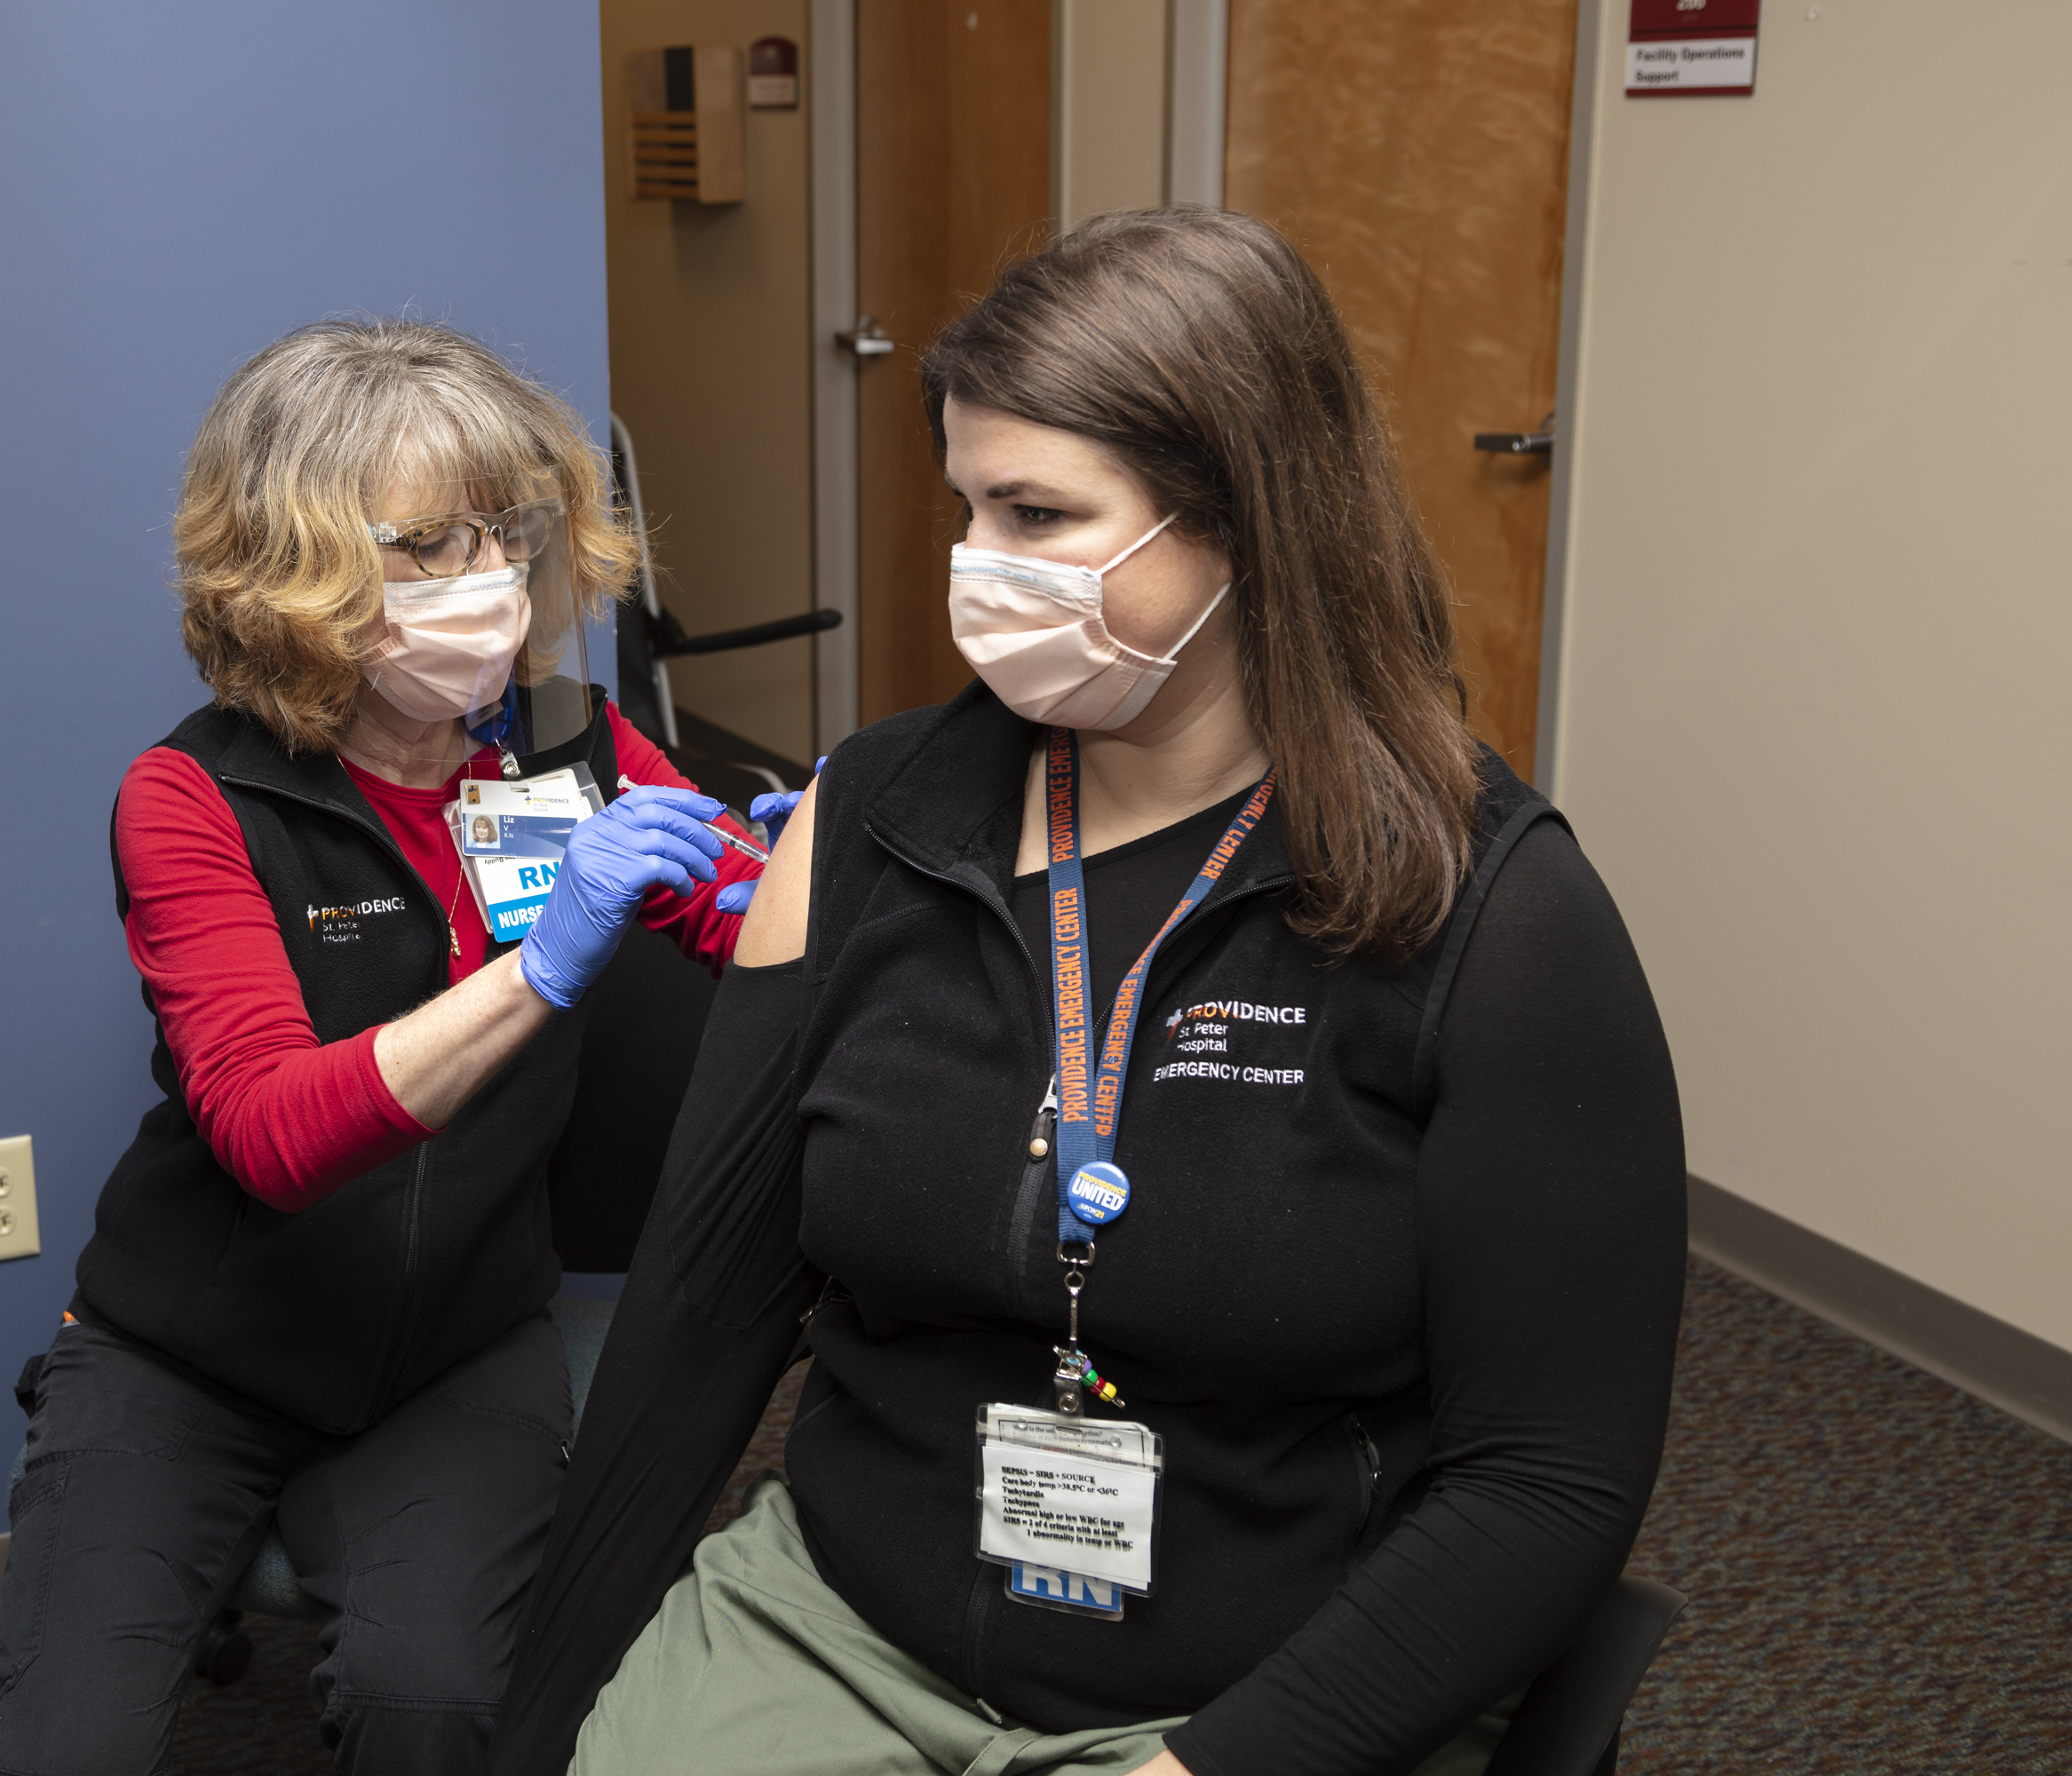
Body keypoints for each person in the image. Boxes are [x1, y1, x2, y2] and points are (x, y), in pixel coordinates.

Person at [489, 206, 1687, 1776]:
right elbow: (703, 1316)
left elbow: (1548, 1481)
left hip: (1259, 1695)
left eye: (1040, 515)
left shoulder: (1492, 911)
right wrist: (537, 1727)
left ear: (1245, 519)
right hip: (844, 1629)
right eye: (968, 507)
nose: (979, 567)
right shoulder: (866, 825)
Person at [0, 319, 766, 1776]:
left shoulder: (572, 746)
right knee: (65, 1748)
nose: (484, 586)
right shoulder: (192, 800)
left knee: (444, 1711)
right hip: (189, 1354)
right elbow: (274, 1136)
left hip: (458, 1346)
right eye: (421, 548)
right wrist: (544, 963)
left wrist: (828, 864)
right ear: (295, 572)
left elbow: (748, 927)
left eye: (505, 537)